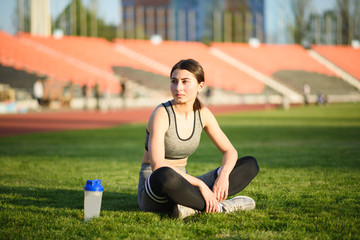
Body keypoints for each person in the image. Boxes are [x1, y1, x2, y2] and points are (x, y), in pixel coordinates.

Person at [137, 59, 259, 219]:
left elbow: (230, 151)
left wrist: (224, 176)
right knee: (165, 175)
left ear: (200, 86)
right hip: (157, 186)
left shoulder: (203, 114)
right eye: (174, 82)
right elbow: (157, 165)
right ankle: (221, 207)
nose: (178, 88)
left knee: (249, 164)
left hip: (186, 185)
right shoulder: (161, 113)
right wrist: (200, 184)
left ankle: (190, 207)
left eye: (185, 82)